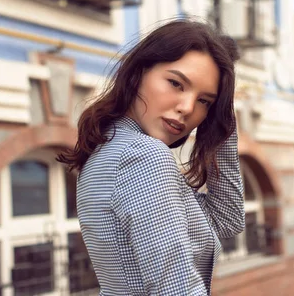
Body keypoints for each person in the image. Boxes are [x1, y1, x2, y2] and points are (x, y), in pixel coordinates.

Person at [57, 19, 245, 295]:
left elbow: (227, 219)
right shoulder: (143, 155)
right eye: (176, 83)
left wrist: (222, 122)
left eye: (205, 101)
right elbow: (177, 287)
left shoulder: (108, 148)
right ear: (138, 73)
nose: (187, 107)